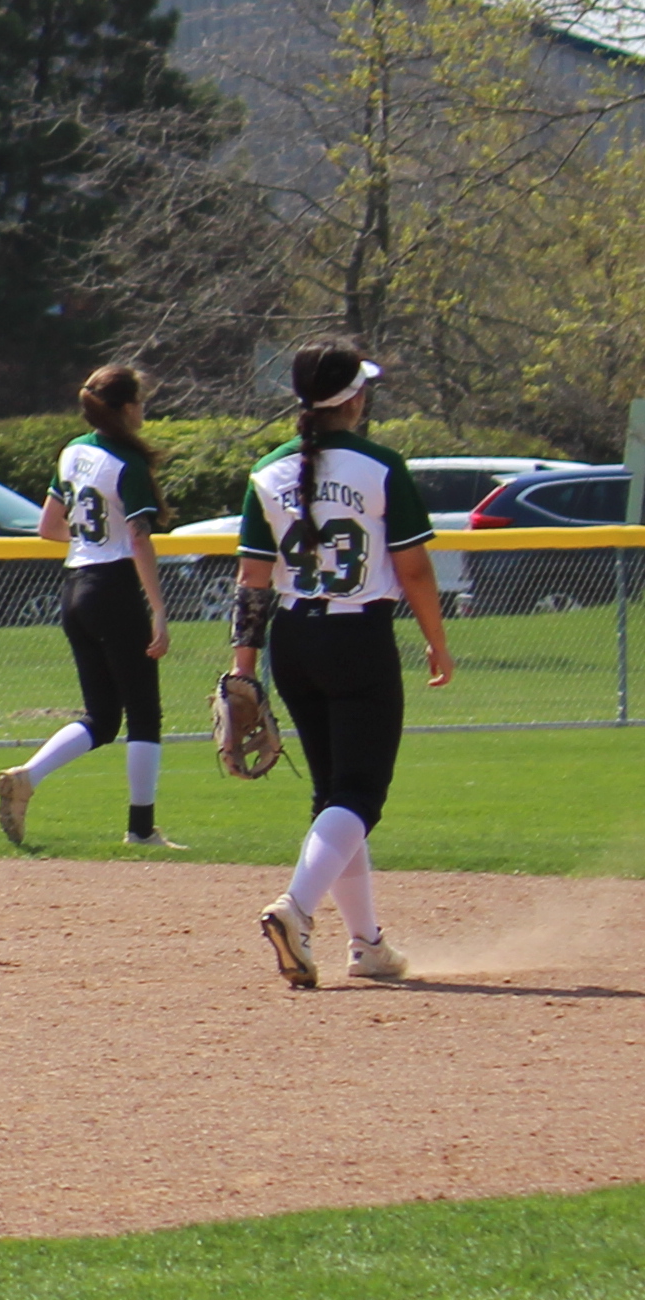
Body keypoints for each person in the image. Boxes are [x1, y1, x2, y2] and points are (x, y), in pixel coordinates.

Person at [230, 339, 452, 989]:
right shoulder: (380, 466)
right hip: (359, 640)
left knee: (333, 795)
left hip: (293, 640)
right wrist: (438, 643)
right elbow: (412, 568)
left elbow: (252, 580)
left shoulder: (266, 470)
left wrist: (244, 667)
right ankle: (295, 910)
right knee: (359, 795)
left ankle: (367, 945)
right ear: (352, 398)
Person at [0, 361, 173, 851]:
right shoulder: (126, 463)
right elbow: (139, 540)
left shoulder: (73, 453)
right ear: (123, 409)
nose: (143, 409)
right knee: (143, 714)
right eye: (139, 401)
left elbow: (48, 528)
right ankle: (141, 829)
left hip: (75, 588)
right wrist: (158, 609)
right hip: (114, 588)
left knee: (102, 716)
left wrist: (93, 538)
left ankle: (27, 776)